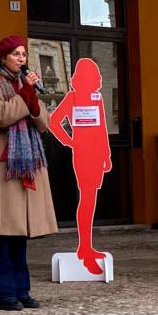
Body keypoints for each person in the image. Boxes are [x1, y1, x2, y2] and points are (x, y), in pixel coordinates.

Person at [0, 35, 58, 311]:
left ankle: (22, 291)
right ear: (2, 58)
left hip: (26, 165)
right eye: (16, 54)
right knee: (3, 233)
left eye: (24, 54)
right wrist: (25, 96)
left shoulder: (25, 84)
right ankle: (4, 294)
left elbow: (44, 123)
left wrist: (32, 97)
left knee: (20, 232)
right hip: (2, 167)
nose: (22, 59)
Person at [49, 58, 112, 275]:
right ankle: (84, 249)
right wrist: (70, 141)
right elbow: (54, 121)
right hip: (83, 155)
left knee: (90, 200)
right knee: (86, 199)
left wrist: (106, 154)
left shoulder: (97, 99)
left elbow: (102, 127)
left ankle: (87, 245)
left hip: (96, 155)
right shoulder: (72, 98)